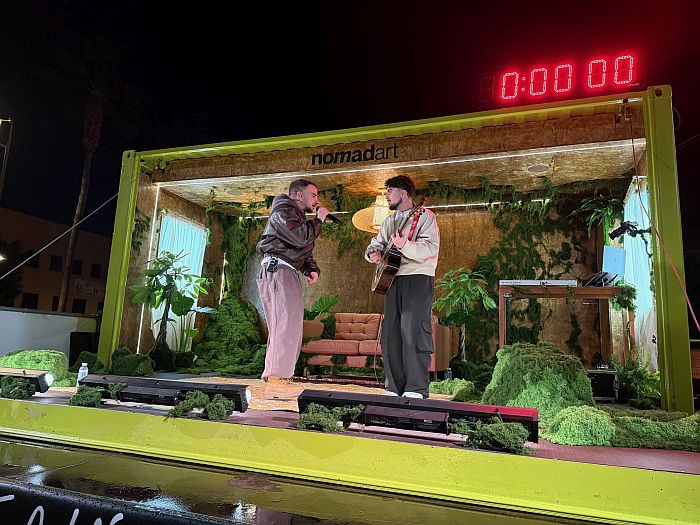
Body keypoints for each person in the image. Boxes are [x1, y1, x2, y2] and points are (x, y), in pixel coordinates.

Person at [365, 175, 440, 399]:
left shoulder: (426, 216)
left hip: (418, 277)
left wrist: (404, 244)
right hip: (392, 279)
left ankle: (416, 388)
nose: (387, 195)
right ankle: (393, 387)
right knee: (391, 333)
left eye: (390, 190)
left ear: (404, 193)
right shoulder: (389, 221)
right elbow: (376, 244)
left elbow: (430, 248)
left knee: (413, 331)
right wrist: (373, 253)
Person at [256, 179, 330, 399]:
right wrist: (318, 221)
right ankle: (277, 379)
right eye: (313, 195)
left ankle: (277, 379)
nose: (316, 200)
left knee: (286, 325)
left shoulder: (294, 216)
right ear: (299, 195)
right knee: (285, 325)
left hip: (283, 270)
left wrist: (310, 268)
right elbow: (300, 238)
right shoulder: (283, 210)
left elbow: (301, 246)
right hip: (279, 270)